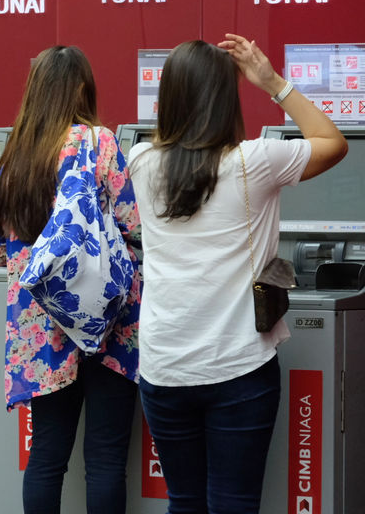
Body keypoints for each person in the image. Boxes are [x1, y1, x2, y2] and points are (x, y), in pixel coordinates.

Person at [127, 35, 347, 512]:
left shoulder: (141, 162)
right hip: (239, 367)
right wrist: (271, 82)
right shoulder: (256, 161)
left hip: (164, 367)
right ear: (226, 99)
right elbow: (333, 142)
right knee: (235, 504)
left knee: (184, 502)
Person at [0, 45, 142, 514]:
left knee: (47, 457)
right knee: (107, 459)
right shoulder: (101, 143)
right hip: (109, 319)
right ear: (81, 89)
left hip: (42, 327)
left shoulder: (14, 155)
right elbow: (132, 225)